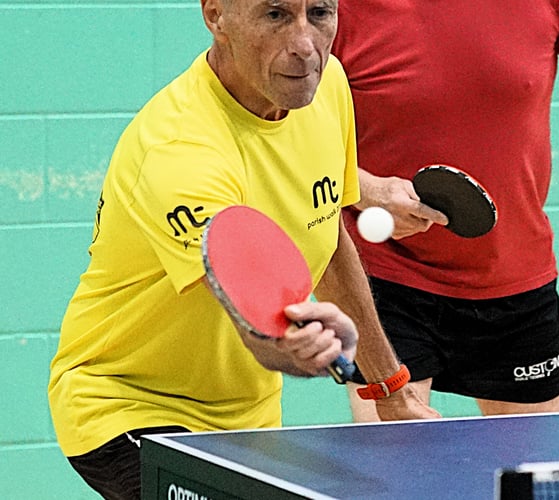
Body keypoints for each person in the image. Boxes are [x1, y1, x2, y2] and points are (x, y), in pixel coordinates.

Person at [48, 0, 438, 498]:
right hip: (129, 405)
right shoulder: (180, 151)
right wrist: (300, 347)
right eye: (275, 15)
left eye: (319, 13)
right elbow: (257, 327)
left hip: (247, 420)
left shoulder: (326, 87)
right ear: (216, 17)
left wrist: (390, 388)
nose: (305, 45)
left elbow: (329, 233)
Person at [331, 0, 559, 421]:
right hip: (387, 277)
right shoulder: (337, 9)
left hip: (515, 280)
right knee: (394, 474)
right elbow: (290, 135)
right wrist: (365, 189)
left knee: (536, 479)